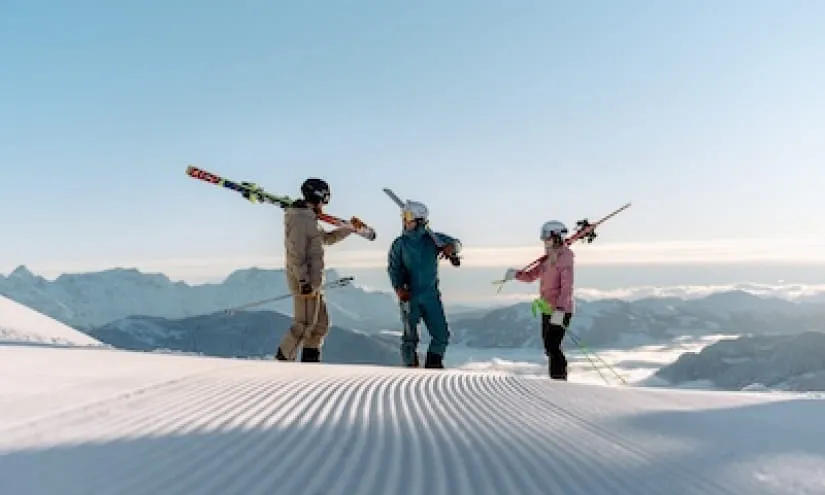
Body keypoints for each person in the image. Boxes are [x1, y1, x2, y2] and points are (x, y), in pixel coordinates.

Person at [275, 177, 365, 363]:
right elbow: (295, 253)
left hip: (313, 282)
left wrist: (349, 229)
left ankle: (310, 364)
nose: (325, 203)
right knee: (304, 325)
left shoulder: (309, 219)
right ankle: (282, 363)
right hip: (305, 282)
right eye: (325, 198)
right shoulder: (300, 219)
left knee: (320, 325)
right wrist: (303, 281)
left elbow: (326, 239)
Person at [387, 200, 461, 368]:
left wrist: (452, 248)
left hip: (430, 296)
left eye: (408, 216)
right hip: (409, 295)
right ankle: (410, 368)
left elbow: (456, 244)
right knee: (410, 337)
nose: (404, 220)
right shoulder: (400, 244)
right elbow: (394, 268)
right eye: (403, 216)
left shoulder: (432, 240)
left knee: (441, 334)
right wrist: (398, 287)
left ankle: (433, 366)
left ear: (420, 220)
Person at [504, 220, 575, 380]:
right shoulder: (546, 260)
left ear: (556, 237)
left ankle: (559, 378)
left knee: (553, 344)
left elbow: (567, 286)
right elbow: (531, 276)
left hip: (560, 309)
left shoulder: (565, 258)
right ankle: (556, 377)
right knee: (548, 347)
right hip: (547, 307)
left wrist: (561, 309)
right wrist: (516, 274)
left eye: (547, 238)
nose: (544, 241)